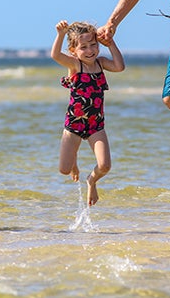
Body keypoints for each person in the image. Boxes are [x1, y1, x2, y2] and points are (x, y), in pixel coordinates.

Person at [51, 20, 125, 206]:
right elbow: (55, 55)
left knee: (105, 166)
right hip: (74, 126)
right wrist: (60, 34)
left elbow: (119, 66)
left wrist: (111, 43)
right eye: (84, 47)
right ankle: (74, 160)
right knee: (64, 169)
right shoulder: (75, 65)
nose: (90, 50)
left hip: (96, 126)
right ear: (74, 50)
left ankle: (91, 181)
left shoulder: (100, 63)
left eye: (93, 44)